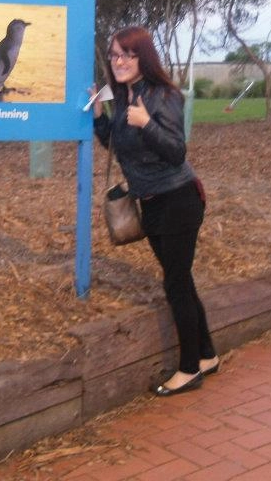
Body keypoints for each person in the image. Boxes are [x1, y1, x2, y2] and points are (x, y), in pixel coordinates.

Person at [91, 26, 219, 396]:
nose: (119, 61)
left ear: (143, 58)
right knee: (180, 278)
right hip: (152, 202)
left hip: (180, 198)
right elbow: (117, 143)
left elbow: (176, 151)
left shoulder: (163, 95)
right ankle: (207, 354)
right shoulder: (123, 95)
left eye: (127, 55)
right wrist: (101, 117)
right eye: (115, 54)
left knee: (176, 282)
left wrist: (146, 123)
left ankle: (188, 369)